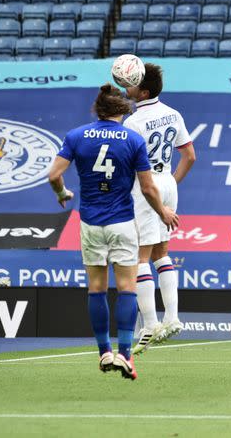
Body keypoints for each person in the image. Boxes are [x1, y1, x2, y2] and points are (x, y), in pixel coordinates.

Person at [47, 83, 179, 380]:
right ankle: (126, 356)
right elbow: (147, 187)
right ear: (122, 109)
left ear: (98, 109)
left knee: (96, 288)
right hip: (122, 222)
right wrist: (163, 212)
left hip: (90, 223)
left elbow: (54, 174)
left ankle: (104, 351)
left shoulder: (77, 135)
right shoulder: (133, 140)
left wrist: (62, 193)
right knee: (127, 288)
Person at [123, 63, 196, 355]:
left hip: (145, 184)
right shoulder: (173, 113)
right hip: (167, 181)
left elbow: (128, 164)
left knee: (140, 255)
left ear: (144, 91)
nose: (126, 88)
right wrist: (171, 184)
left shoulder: (134, 121)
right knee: (162, 252)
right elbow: (189, 156)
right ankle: (173, 318)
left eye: (131, 84)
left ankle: (151, 324)